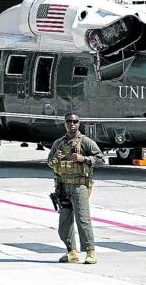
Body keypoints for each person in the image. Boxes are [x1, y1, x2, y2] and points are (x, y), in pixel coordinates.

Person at [47, 113, 105, 264]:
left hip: (80, 186)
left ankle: (90, 251)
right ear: (65, 124)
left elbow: (100, 159)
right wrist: (56, 159)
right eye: (69, 121)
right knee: (64, 223)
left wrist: (84, 159)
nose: (72, 124)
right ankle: (71, 251)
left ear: (79, 124)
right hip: (63, 186)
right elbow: (49, 162)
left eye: (75, 121)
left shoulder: (86, 142)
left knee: (83, 220)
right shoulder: (58, 144)